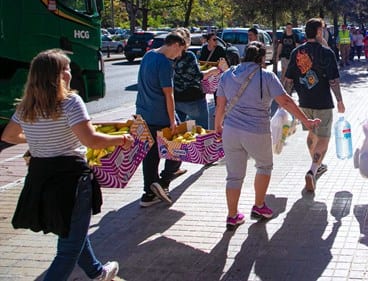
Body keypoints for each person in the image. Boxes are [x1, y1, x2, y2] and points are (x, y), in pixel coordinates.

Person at [1, 49, 134, 281]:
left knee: (73, 232)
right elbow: (91, 140)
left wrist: (35, 139)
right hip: (70, 179)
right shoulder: (71, 102)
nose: (70, 73)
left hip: (40, 177)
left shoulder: (26, 106)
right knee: (68, 249)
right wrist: (121, 139)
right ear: (58, 75)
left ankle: (97, 272)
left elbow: (9, 135)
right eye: (67, 69)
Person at [215, 41, 320, 228]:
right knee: (264, 166)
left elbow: (220, 105)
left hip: (230, 130)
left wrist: (218, 126)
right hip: (256, 131)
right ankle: (259, 206)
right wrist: (306, 121)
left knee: (233, 176)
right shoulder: (266, 77)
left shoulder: (227, 76)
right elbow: (286, 102)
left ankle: (232, 216)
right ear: (262, 58)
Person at [283, 18, 346, 192]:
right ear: (318, 32)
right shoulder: (327, 53)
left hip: (304, 102)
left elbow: (288, 80)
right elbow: (333, 80)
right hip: (323, 103)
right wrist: (340, 100)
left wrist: (285, 101)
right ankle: (312, 169)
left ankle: (317, 164)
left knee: (312, 134)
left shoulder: (296, 52)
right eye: (323, 30)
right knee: (324, 138)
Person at [136, 31, 187, 207]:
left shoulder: (148, 55)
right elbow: (168, 94)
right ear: (175, 45)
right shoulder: (165, 63)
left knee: (149, 154)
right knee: (178, 148)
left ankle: (149, 193)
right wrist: (173, 120)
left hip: (144, 113)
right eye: (180, 51)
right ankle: (163, 182)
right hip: (160, 115)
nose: (179, 56)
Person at [173, 28, 226, 131]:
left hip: (176, 98)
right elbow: (197, 76)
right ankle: (199, 147)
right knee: (200, 131)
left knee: (180, 132)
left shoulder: (169, 57)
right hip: (193, 99)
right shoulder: (189, 56)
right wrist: (211, 71)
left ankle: (183, 147)